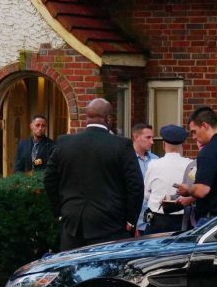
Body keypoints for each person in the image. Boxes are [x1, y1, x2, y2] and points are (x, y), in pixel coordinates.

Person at [44, 98, 144, 251]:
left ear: (87, 118)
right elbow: (135, 185)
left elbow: (49, 180)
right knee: (107, 273)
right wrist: (131, 220)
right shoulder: (121, 145)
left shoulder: (64, 143)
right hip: (111, 225)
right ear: (108, 119)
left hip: (73, 224)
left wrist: (60, 211)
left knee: (71, 271)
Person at [143, 125, 192, 234]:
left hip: (157, 220)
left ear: (164, 144)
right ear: (183, 145)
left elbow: (146, 194)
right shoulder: (190, 165)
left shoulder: (153, 165)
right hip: (182, 221)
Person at [131, 122, 158, 232]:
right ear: (136, 137)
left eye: (152, 137)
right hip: (133, 222)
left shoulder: (156, 160)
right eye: (148, 137)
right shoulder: (127, 160)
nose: (152, 141)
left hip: (153, 221)